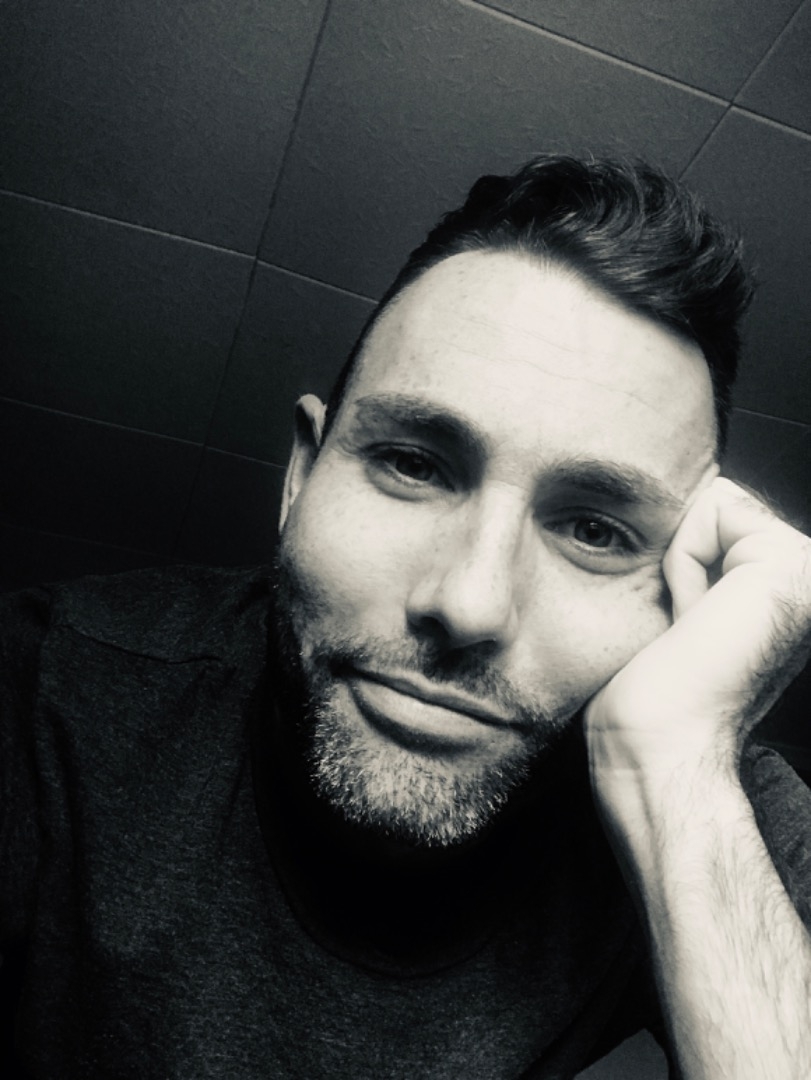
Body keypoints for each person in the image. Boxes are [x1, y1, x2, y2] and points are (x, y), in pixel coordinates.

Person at [1, 155, 810, 1079]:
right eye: (413, 465)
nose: (467, 603)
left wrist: (674, 784)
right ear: (302, 475)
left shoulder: (703, 790)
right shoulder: (42, 689)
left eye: (594, 529)